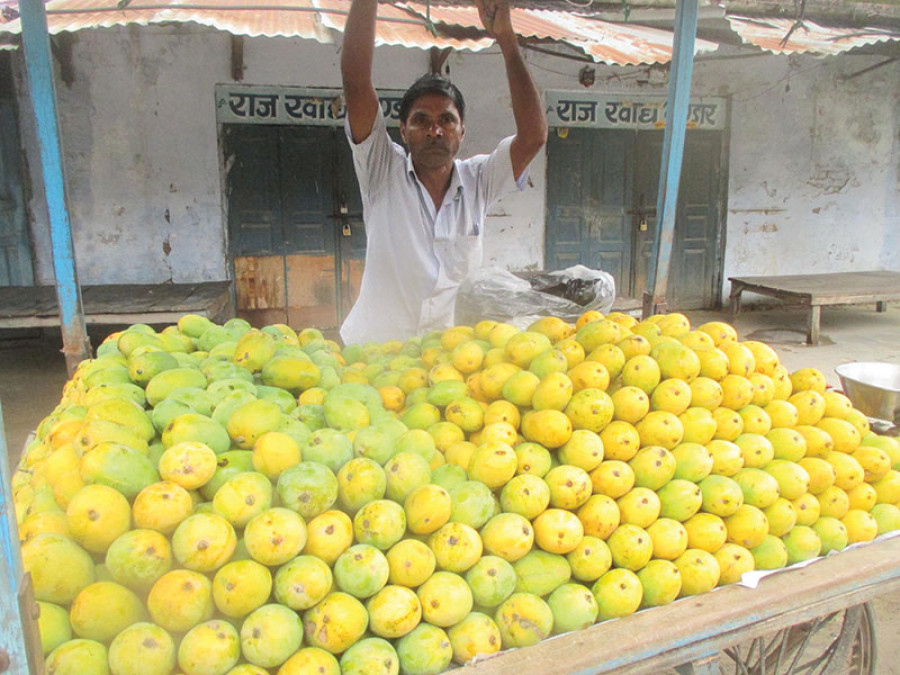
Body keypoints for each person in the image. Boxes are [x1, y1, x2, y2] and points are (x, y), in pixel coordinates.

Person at [339, 0, 547, 345]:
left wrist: (507, 40)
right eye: (421, 120)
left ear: (462, 131)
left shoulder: (479, 180)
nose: (435, 131)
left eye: (446, 120)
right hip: (374, 355)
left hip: (447, 359)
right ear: (403, 131)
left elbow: (534, 136)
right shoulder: (381, 168)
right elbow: (356, 82)